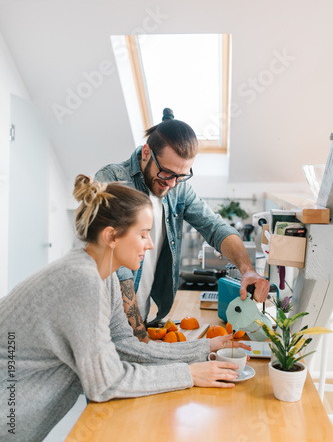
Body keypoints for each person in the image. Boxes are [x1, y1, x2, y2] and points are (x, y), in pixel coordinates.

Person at [0, 175, 251, 442]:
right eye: (143, 234)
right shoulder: (82, 281)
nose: (150, 244)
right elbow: (106, 383)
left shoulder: (101, 274)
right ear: (111, 237)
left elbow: (125, 345)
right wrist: (188, 374)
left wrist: (202, 349)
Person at [95, 109, 270, 342]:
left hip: (141, 322)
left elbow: (215, 227)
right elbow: (116, 261)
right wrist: (137, 332)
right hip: (106, 323)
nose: (171, 183)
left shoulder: (177, 186)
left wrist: (247, 269)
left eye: (181, 176)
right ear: (146, 152)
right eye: (166, 173)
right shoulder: (113, 180)